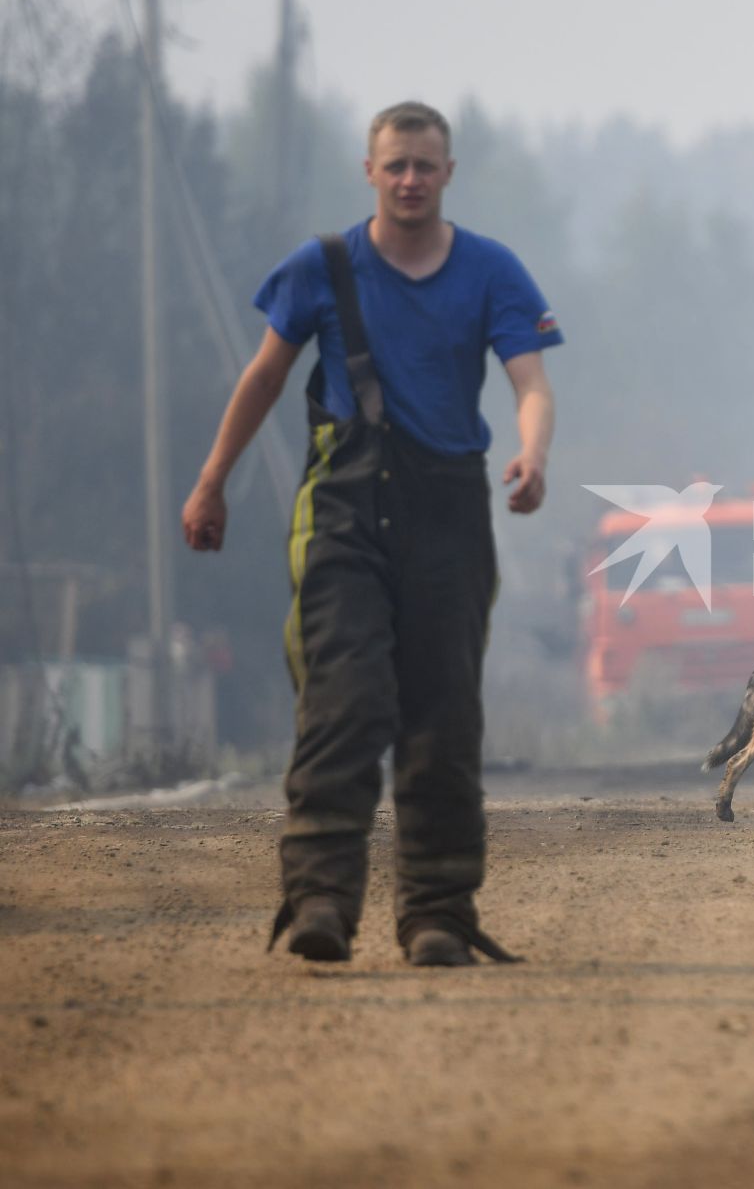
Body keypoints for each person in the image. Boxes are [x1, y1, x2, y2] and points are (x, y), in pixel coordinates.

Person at [181, 101, 559, 966]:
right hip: (344, 506)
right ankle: (318, 901)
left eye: (425, 165)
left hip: (450, 510)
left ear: (448, 173)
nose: (410, 180)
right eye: (395, 166)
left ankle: (436, 913)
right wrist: (211, 483)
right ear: (370, 170)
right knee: (343, 705)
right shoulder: (322, 267)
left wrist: (532, 457)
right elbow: (264, 378)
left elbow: (530, 382)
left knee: (442, 717)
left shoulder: (492, 270)